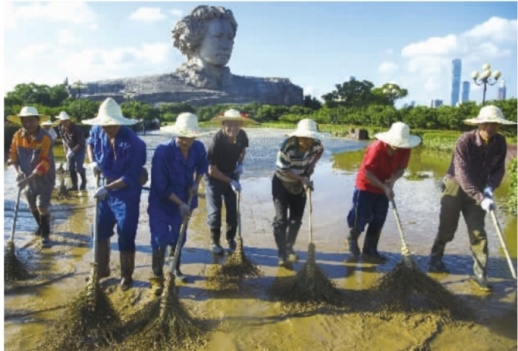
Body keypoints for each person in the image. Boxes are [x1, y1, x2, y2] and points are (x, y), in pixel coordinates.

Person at [428, 105, 515, 291]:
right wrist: (480, 196)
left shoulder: (500, 141)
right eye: (486, 124)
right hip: (455, 187)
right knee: (447, 229)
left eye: (494, 125)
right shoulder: (464, 141)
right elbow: (462, 173)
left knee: (478, 233)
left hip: (481, 189)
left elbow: (499, 168)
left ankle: (480, 275)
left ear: (499, 126)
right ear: (479, 124)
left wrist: (490, 189)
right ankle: (435, 258)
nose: (490, 129)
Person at [82, 98, 147, 291]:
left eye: (111, 125)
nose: (108, 128)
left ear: (119, 122)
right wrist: (93, 162)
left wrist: (108, 188)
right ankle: (101, 270)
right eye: (105, 124)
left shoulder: (135, 144)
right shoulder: (97, 130)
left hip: (127, 192)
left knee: (126, 232)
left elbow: (131, 176)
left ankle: (126, 276)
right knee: (98, 230)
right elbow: (90, 143)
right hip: (105, 189)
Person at [148, 113, 208, 293]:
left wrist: (196, 183)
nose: (185, 141)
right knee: (159, 238)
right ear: (176, 134)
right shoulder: (162, 151)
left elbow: (203, 166)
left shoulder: (198, 148)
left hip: (185, 198)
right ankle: (157, 276)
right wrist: (180, 203)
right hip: (162, 201)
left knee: (179, 236)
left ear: (195, 136)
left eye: (189, 137)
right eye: (182, 136)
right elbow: (160, 185)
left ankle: (175, 269)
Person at [346, 122, 421, 263]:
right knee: (362, 217)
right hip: (366, 185)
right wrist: (384, 187)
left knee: (379, 218)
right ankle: (352, 237)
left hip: (385, 184)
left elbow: (401, 169)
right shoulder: (376, 148)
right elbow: (368, 174)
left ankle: (370, 250)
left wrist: (392, 180)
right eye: (396, 143)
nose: (398, 146)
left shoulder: (405, 149)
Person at [272, 119, 324, 266]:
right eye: (304, 139)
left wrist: (311, 166)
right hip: (281, 183)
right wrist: (303, 179)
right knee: (281, 220)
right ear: (297, 136)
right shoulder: (287, 147)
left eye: (309, 139)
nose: (306, 142)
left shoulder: (316, 145)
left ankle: (289, 246)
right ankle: (281, 252)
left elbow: (319, 152)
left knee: (296, 220)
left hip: (299, 185)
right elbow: (283, 169)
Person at [205, 109, 254, 255]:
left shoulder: (242, 135)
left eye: (236, 124)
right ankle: (215, 241)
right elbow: (211, 170)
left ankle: (231, 239)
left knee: (233, 210)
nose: (233, 128)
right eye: (229, 125)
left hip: (232, 173)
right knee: (215, 211)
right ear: (223, 124)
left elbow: (242, 150)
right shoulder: (216, 141)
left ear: (240, 124)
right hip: (214, 177)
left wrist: (240, 164)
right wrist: (231, 181)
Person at [7, 106, 56, 248]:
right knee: (31, 206)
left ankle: (45, 235)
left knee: (42, 207)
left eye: (31, 121)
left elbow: (45, 162)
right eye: (24, 121)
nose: (27, 124)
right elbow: (12, 156)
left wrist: (28, 178)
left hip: (44, 177)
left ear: (37, 121)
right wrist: (17, 173)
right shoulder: (17, 135)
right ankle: (41, 225)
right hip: (26, 177)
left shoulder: (46, 138)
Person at [172, 5, 237, 89]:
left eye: (229, 38)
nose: (225, 46)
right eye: (218, 37)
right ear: (196, 39)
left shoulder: (254, 87)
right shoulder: (167, 85)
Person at [56, 111, 87, 191]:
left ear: (69, 120)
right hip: (70, 148)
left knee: (78, 168)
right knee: (70, 168)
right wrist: (66, 150)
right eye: (62, 121)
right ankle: (74, 185)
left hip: (80, 149)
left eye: (66, 121)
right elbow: (63, 140)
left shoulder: (77, 129)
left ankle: (84, 181)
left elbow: (81, 143)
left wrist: (73, 151)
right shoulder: (60, 127)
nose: (64, 123)